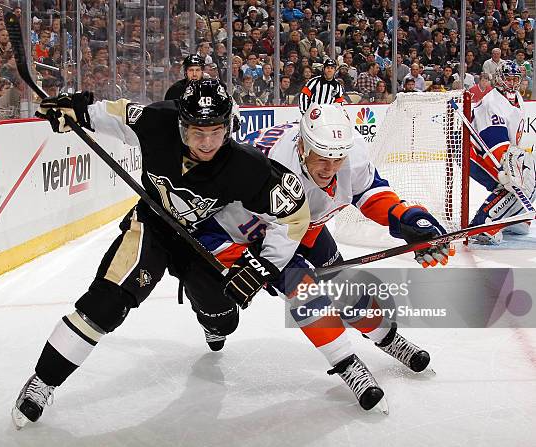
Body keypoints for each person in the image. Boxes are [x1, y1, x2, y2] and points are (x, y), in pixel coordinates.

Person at [11, 79, 310, 428]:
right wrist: (76, 112)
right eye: (198, 132)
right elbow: (114, 115)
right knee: (106, 302)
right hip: (152, 226)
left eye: (216, 131)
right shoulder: (156, 122)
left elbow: (294, 214)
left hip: (205, 240)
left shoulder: (247, 167)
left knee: (223, 318)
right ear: (181, 124)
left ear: (230, 126)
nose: (208, 143)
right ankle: (43, 381)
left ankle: (210, 320)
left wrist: (265, 264)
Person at [202, 103, 453, 410]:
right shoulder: (270, 169)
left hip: (301, 222)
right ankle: (347, 364)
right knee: (307, 295)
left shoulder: (350, 153)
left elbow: (370, 192)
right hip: (256, 231)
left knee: (343, 285)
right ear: (302, 145)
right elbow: (259, 235)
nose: (330, 168)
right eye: (322, 157)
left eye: (337, 158)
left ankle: (388, 339)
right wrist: (254, 266)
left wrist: (407, 218)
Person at [469, 60, 536, 244]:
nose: (513, 83)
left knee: (529, 179)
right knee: (516, 184)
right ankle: (483, 224)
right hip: (475, 153)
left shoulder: (515, 98)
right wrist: (509, 169)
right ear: (499, 78)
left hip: (496, 150)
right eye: (509, 79)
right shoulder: (493, 102)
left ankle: (509, 218)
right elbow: (494, 141)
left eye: (516, 79)